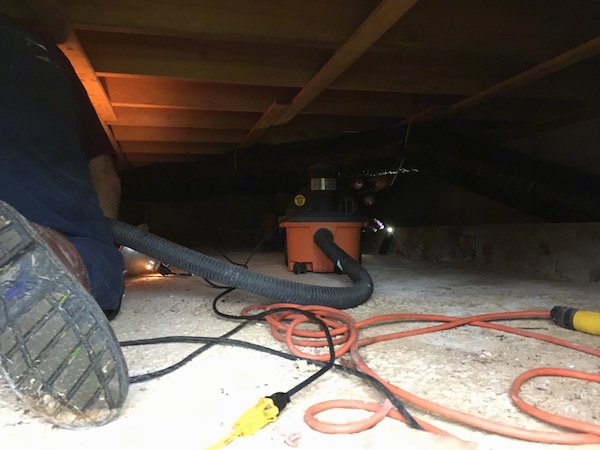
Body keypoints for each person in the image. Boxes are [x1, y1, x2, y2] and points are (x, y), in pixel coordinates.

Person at [0, 14, 129, 428]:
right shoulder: (52, 57)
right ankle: (59, 263)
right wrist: (102, 241)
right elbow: (103, 171)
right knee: (102, 268)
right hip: (52, 221)